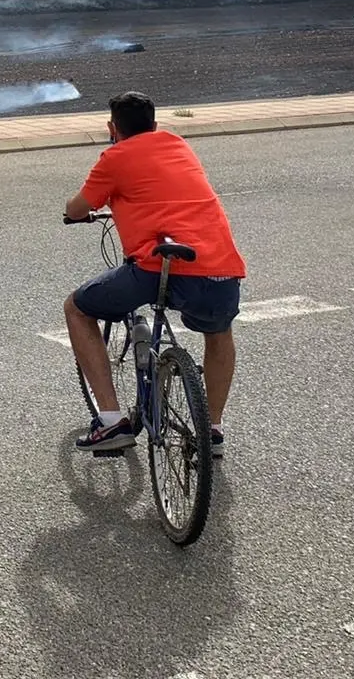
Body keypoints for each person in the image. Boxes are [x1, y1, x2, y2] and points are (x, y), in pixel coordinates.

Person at [63, 91, 245, 456]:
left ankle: (112, 422)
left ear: (112, 128)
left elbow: (78, 206)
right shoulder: (178, 145)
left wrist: (78, 214)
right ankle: (212, 429)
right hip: (220, 264)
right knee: (219, 331)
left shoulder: (115, 156)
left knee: (77, 309)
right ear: (156, 125)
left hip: (158, 267)